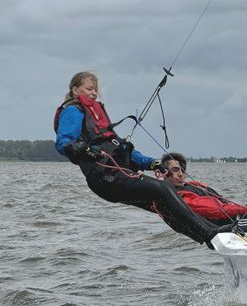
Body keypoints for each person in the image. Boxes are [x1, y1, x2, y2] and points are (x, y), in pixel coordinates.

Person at [54, 71, 217, 246]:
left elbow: (119, 148)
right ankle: (210, 234)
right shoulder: (73, 111)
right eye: (89, 89)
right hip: (105, 178)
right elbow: (63, 143)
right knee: (164, 188)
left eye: (95, 89)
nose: (94, 93)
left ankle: (210, 235)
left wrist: (151, 163)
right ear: (75, 90)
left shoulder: (96, 114)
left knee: (160, 203)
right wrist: (85, 149)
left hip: (115, 175)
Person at [155, 151, 247, 228]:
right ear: (164, 173)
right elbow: (219, 210)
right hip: (229, 226)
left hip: (238, 217)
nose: (180, 174)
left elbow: (226, 203)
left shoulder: (195, 185)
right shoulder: (180, 196)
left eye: (182, 170)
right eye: (175, 170)